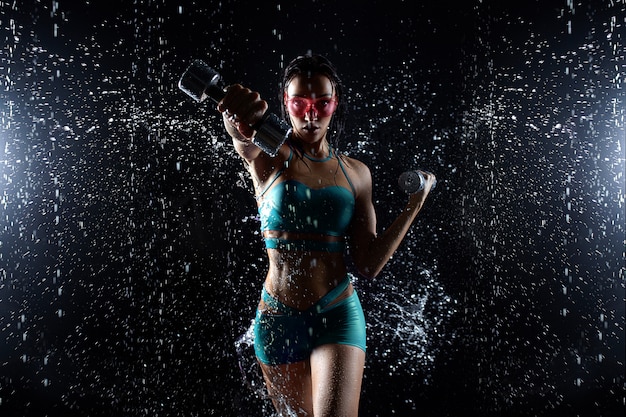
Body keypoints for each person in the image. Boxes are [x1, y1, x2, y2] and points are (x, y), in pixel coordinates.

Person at [217, 54, 435, 417]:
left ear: (336, 104)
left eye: (322, 103)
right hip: (277, 317)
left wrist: (415, 204)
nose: (311, 114)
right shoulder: (269, 155)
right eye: (299, 103)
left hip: (336, 312)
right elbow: (244, 141)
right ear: (286, 105)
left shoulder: (357, 174)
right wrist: (235, 117)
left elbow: (368, 264)